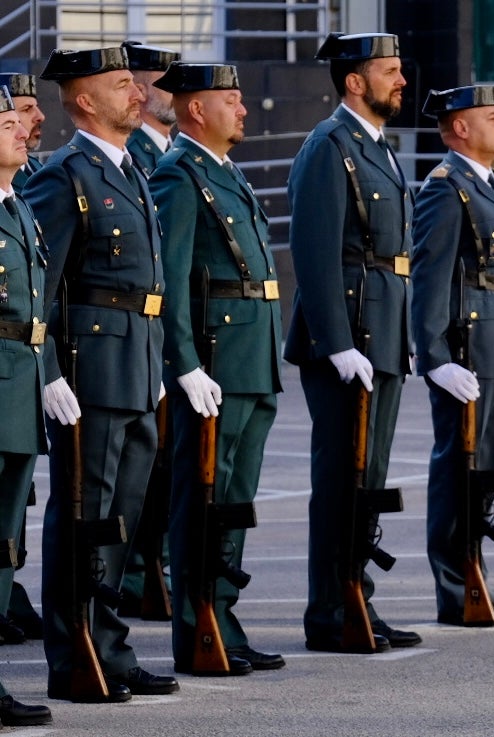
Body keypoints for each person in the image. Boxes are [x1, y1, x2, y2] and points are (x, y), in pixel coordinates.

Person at [24, 46, 178, 703]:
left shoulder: (130, 170)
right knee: (83, 515)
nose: (138, 93)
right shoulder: (65, 176)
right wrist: (49, 371)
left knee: (121, 518)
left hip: (137, 363)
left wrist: (160, 361)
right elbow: (39, 286)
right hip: (91, 370)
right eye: (122, 85)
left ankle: (109, 647)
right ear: (84, 100)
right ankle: (73, 654)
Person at [284, 32, 421, 652]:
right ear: (355, 82)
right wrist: (336, 341)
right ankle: (330, 610)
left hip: (382, 331)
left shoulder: (375, 147)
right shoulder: (329, 145)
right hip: (351, 335)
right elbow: (314, 251)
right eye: (390, 71)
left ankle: (357, 597)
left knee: (369, 479)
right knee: (343, 478)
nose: (402, 81)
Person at [147, 62, 285, 676]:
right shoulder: (179, 174)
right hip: (216, 359)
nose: (244, 109)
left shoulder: (226, 172)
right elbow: (170, 279)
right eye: (232, 99)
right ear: (197, 109)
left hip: (251, 357)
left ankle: (223, 617)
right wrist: (183, 363)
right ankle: (197, 624)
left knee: (234, 498)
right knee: (203, 495)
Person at [411, 85, 494, 627]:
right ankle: (456, 585)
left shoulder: (487, 182)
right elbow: (430, 274)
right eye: (493, 117)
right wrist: (434, 355)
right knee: (458, 467)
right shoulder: (447, 187)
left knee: (484, 471)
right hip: (469, 343)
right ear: (460, 127)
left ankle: (475, 573)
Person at [118, 40, 180, 620]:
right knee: (142, 468)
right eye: (165, 81)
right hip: (137, 338)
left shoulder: (169, 153)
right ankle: (137, 575)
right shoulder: (132, 154)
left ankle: (149, 570)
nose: (175, 91)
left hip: (165, 336)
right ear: (137, 90)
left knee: (163, 468)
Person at [0, 83, 53, 727]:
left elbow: (38, 309)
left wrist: (52, 375)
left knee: (5, 541)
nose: (20, 129)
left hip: (19, 387)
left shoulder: (17, 208)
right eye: (5, 123)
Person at [123, 42, 180, 176]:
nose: (178, 93)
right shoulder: (128, 151)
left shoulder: (177, 148)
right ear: (140, 92)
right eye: (169, 85)